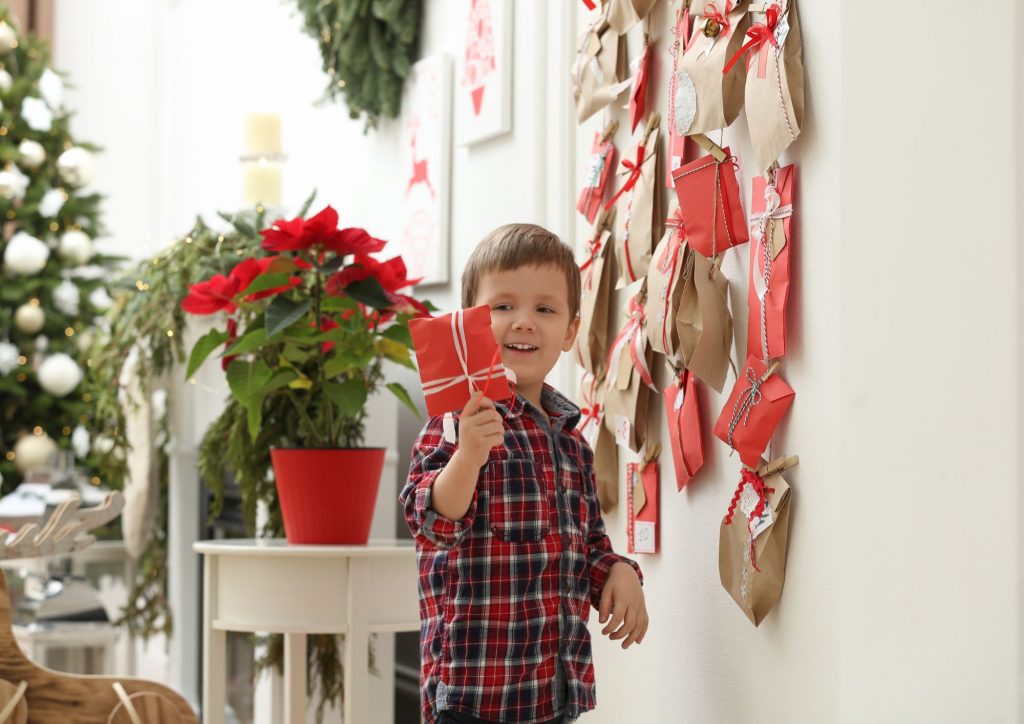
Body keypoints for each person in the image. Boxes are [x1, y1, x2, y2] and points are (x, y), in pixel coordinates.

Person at [400, 224, 648, 724]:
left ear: (571, 331)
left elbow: (586, 548)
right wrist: (468, 455)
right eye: (503, 306)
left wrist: (619, 570)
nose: (524, 323)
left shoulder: (573, 443)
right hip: (473, 695)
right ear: (471, 321)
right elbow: (430, 521)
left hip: (553, 691)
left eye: (545, 309)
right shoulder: (454, 421)